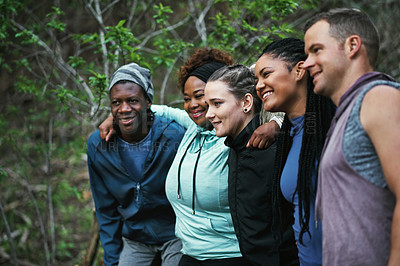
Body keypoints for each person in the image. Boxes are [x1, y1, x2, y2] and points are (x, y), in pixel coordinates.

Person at [99, 48, 280, 265]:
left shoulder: (234, 136)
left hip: (229, 254)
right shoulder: (192, 128)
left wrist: (276, 123)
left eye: (204, 97)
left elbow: (269, 93)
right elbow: (164, 110)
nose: (193, 104)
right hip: (190, 254)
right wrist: (121, 114)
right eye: (187, 98)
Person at [303, 8, 400, 266]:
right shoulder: (346, 111)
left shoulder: (379, 97)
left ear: (352, 45)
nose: (307, 62)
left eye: (316, 50)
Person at [87, 63, 186, 266]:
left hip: (176, 234)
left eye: (132, 100)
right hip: (135, 239)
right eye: (116, 102)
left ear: (148, 102)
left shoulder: (173, 137)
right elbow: (105, 210)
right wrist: (113, 261)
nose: (124, 109)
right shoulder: (99, 146)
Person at [204, 64, 299, 265]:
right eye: (208, 105)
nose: (208, 114)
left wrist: (277, 124)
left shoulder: (271, 150)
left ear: (246, 102)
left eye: (217, 103)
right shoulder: (235, 146)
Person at [254, 38, 336, 266]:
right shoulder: (290, 135)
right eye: (257, 79)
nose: (259, 85)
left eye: (266, 74)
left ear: (299, 70)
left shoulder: (337, 126)